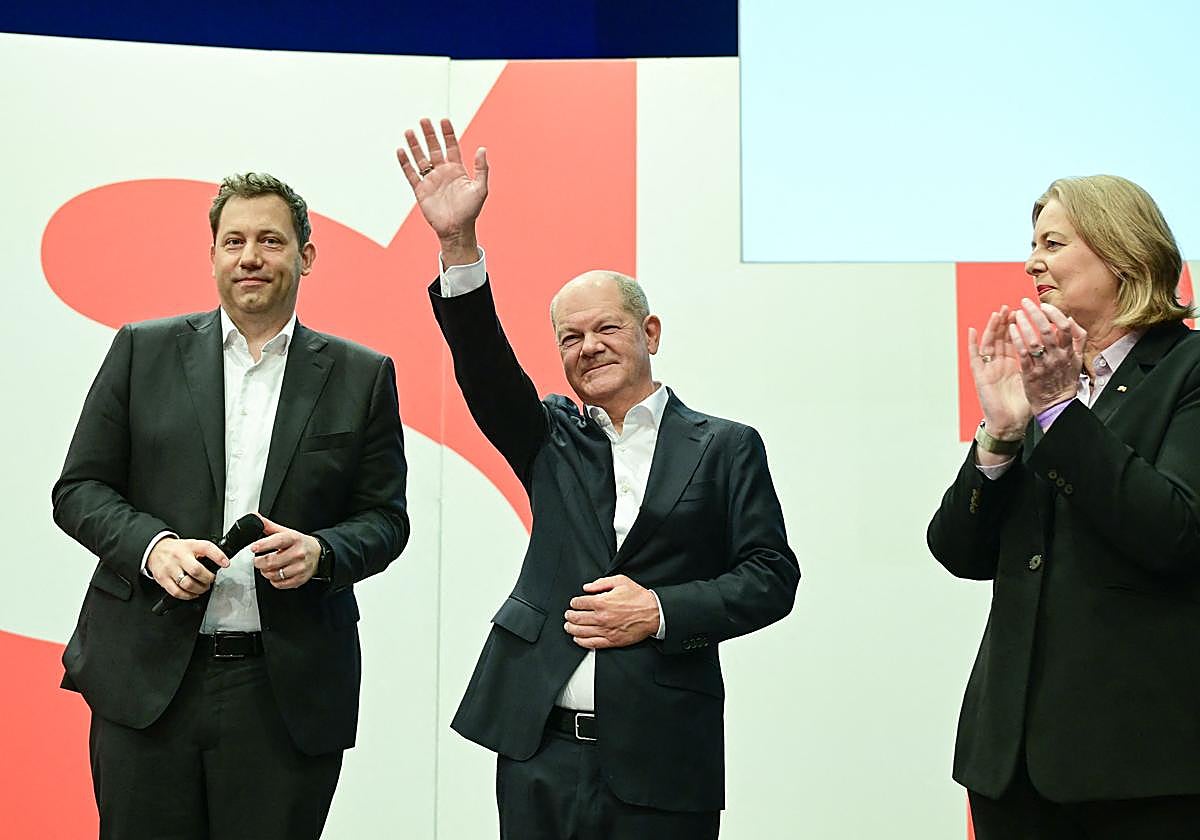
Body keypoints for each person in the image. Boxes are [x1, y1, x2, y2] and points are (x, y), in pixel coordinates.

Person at [396, 118, 799, 839]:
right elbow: (486, 367)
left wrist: (661, 609)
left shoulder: (727, 447)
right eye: (570, 338)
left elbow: (771, 577)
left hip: (665, 754)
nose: (588, 348)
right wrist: (457, 244)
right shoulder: (549, 437)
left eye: (606, 329)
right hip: (539, 753)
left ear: (649, 334)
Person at [52, 172, 410, 839]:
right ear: (213, 254)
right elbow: (79, 491)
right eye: (234, 240)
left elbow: (386, 519)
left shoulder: (362, 376)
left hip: (284, 693)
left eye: (271, 240)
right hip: (148, 682)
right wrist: (154, 549)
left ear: (305, 255)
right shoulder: (141, 351)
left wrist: (323, 552)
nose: (251, 257)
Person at [928, 174, 1200, 838]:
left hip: (1137, 767)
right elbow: (959, 553)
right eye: (1032, 244)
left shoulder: (1187, 369)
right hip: (1009, 765)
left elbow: (1176, 534)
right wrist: (1000, 434)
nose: (1030, 263)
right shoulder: (1048, 378)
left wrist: (1059, 411)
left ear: (1124, 252)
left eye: (1052, 242)